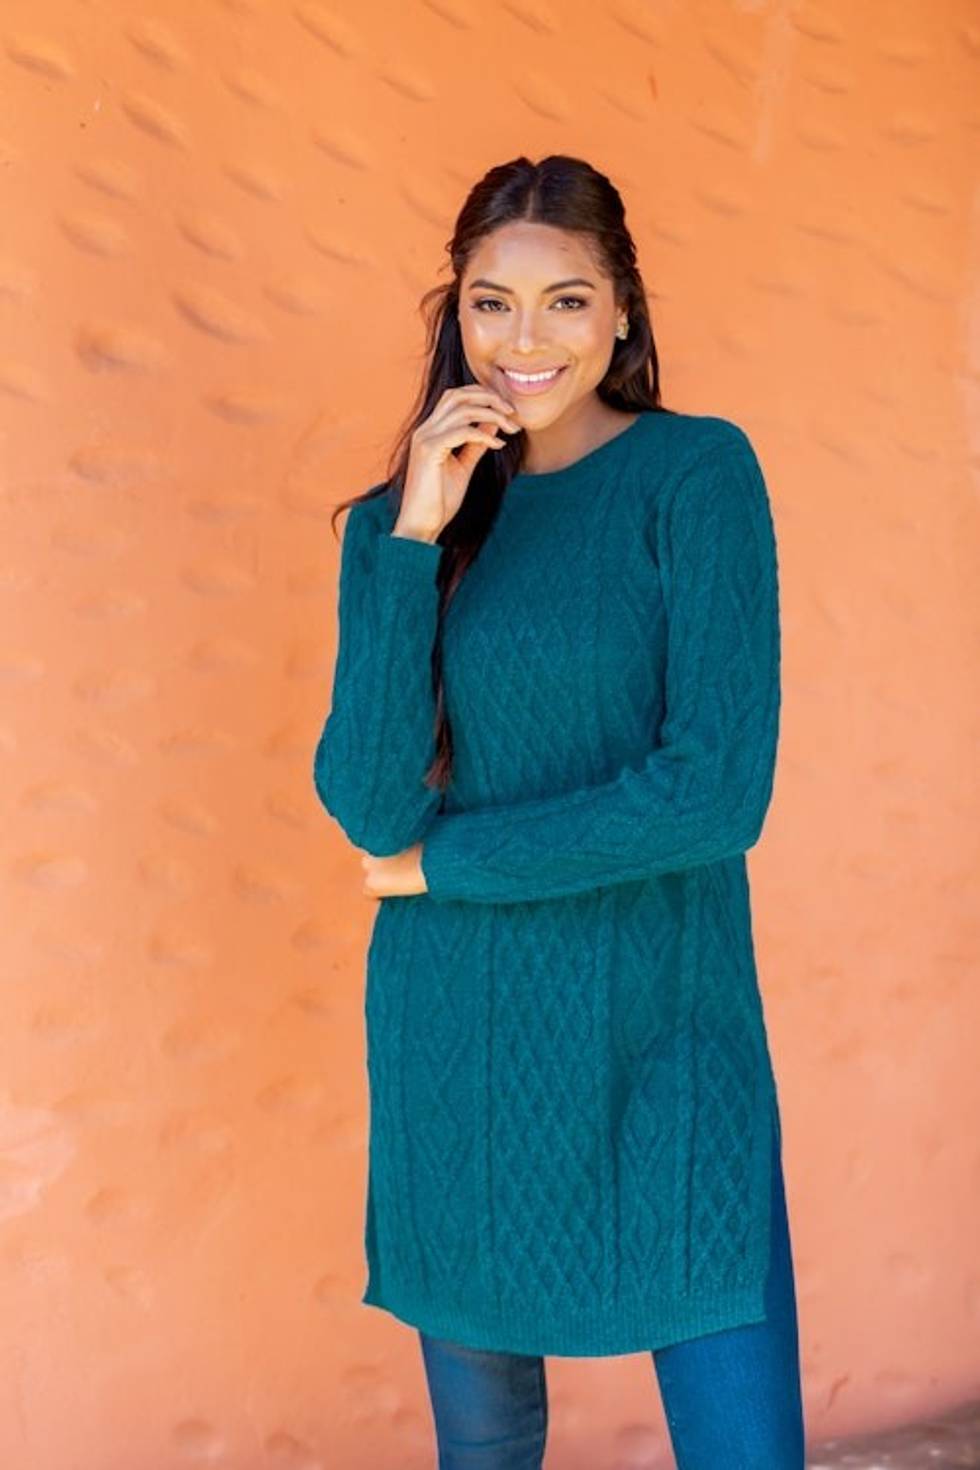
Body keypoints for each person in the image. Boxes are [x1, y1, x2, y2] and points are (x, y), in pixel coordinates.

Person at [313, 153, 806, 1468]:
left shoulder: (695, 476)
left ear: (623, 311)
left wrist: (450, 864)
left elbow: (715, 794)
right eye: (493, 303)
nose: (525, 340)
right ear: (456, 313)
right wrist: (413, 540)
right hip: (462, 1042)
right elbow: (369, 805)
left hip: (664, 1028)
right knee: (485, 1450)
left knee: (745, 1439)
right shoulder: (400, 525)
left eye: (566, 300)